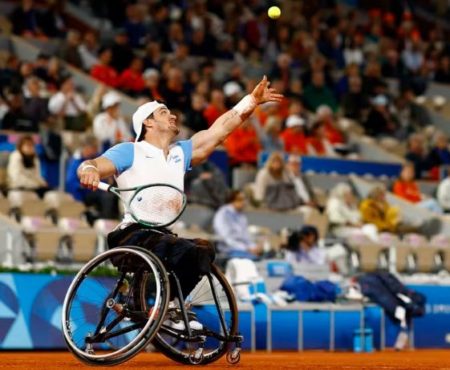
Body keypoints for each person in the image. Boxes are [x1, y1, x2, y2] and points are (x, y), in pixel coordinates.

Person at [77, 76, 282, 329]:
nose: (172, 116)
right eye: (164, 112)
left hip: (162, 236)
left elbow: (219, 131)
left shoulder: (179, 153)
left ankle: (172, 308)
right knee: (179, 248)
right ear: (147, 122)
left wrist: (251, 101)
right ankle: (153, 304)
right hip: (132, 235)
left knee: (204, 249)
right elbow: (95, 164)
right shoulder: (130, 150)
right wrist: (88, 169)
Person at [65, 135, 119, 222]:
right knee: (107, 197)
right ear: (86, 148)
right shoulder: (75, 161)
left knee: (115, 194)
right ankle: (105, 223)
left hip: (99, 190)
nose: (96, 150)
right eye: (94, 147)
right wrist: (85, 185)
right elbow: (70, 182)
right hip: (84, 193)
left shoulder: (97, 158)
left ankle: (114, 220)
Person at [213, 190, 263, 260]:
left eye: (244, 199)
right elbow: (226, 238)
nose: (243, 202)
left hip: (242, 250)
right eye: (240, 199)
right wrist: (247, 248)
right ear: (232, 200)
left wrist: (254, 247)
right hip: (228, 250)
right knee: (255, 260)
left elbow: (246, 237)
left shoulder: (241, 216)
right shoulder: (223, 214)